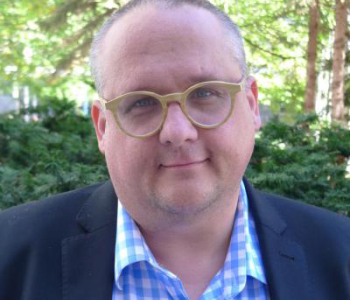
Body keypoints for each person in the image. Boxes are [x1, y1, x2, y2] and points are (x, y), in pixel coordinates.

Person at [0, 0, 349, 299]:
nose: (178, 132)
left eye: (204, 93)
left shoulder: (342, 255)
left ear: (252, 105)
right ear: (103, 127)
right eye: (141, 103)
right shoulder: (8, 256)